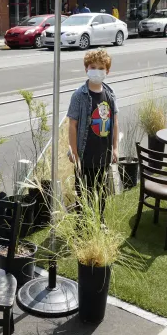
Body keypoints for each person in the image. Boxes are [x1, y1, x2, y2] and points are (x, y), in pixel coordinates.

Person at [67, 48, 119, 217]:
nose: (96, 71)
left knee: (101, 190)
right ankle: (82, 226)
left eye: (101, 68)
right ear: (86, 69)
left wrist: (115, 148)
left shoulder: (110, 94)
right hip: (85, 155)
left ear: (107, 71)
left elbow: (115, 122)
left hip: (103, 154)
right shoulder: (79, 95)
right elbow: (72, 125)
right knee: (83, 192)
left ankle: (100, 220)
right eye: (93, 67)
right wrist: (74, 151)